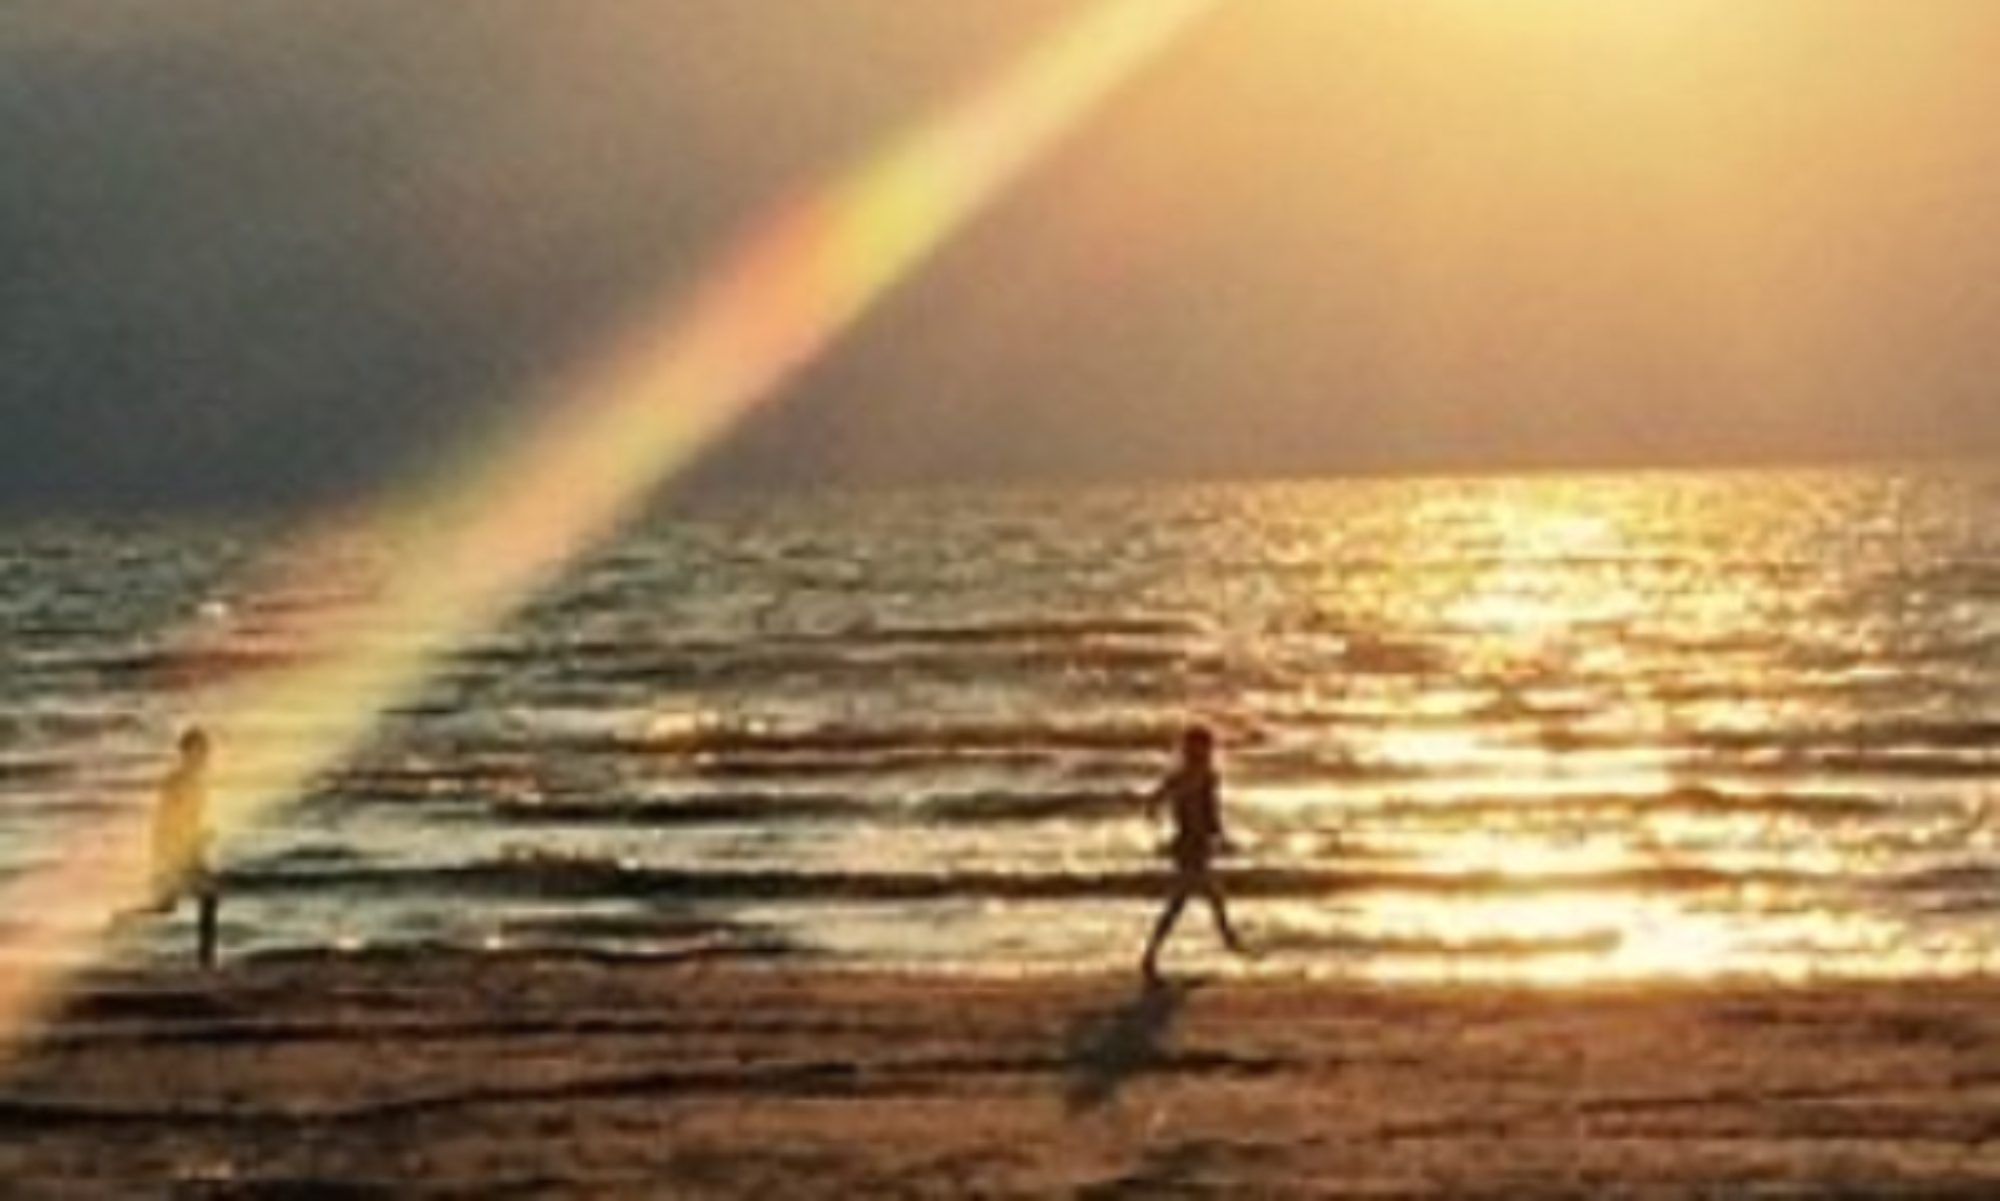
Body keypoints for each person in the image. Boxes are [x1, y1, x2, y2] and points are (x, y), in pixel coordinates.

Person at [1139, 723, 1246, 982]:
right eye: (1202, 745)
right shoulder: (1186, 775)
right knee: (1201, 898)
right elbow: (1158, 800)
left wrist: (1220, 837)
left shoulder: (1206, 775)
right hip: (1189, 844)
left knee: (1196, 899)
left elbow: (1211, 812)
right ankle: (1231, 942)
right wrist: (1160, 811)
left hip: (1198, 844)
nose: (1207, 750)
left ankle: (1152, 955)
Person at [145, 725, 221, 967]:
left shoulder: (196, 782)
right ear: (186, 753)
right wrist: (163, 854)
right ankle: (206, 961)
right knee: (205, 899)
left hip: (190, 849)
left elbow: (190, 819)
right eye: (199, 751)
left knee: (169, 905)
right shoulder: (177, 782)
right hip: (177, 851)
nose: (205, 757)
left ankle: (206, 960)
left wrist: (202, 836)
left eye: (206, 751)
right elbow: (164, 820)